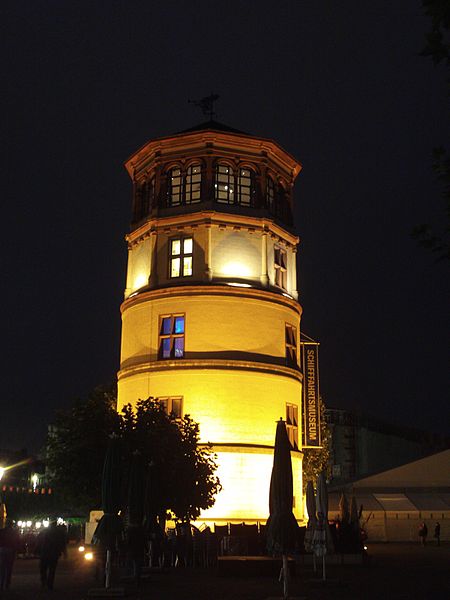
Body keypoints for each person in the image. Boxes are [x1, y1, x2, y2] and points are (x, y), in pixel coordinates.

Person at [36, 521, 67, 590]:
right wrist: (64, 552)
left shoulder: (44, 531)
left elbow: (38, 540)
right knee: (52, 570)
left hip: (45, 552)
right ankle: (50, 584)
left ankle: (44, 581)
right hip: (54, 553)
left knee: (43, 568)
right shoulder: (59, 533)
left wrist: (37, 550)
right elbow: (63, 543)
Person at [0, 521, 20, 591]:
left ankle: (1, 584)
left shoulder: (2, 531)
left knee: (2, 568)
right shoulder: (14, 532)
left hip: (2, 549)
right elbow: (17, 542)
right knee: (9, 568)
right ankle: (7, 584)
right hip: (10, 550)